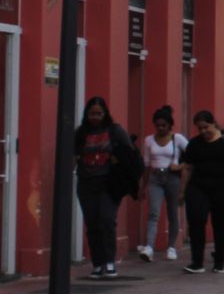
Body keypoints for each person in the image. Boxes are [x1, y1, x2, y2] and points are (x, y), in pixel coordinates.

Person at [75, 97, 138, 279]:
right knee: (92, 223)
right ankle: (97, 263)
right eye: (92, 114)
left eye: (99, 114)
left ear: (105, 114)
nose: (95, 117)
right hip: (86, 182)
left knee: (107, 220)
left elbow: (130, 153)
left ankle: (109, 261)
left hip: (109, 182)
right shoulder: (80, 133)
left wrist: (118, 159)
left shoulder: (115, 130)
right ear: (86, 114)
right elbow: (72, 153)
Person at [178, 110, 224, 274]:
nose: (203, 132)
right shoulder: (195, 144)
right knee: (196, 219)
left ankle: (219, 261)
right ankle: (197, 261)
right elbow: (187, 168)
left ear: (214, 124)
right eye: (199, 128)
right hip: (199, 186)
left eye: (206, 127)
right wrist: (182, 191)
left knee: (221, 223)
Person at [139, 105, 187, 262]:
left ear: (170, 125)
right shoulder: (148, 140)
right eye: (157, 125)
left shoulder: (177, 139)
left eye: (163, 125)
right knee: (153, 212)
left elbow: (193, 154)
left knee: (173, 212)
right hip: (155, 177)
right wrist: (143, 186)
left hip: (172, 177)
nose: (160, 128)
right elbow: (146, 164)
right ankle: (149, 247)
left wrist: (180, 166)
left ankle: (171, 247)